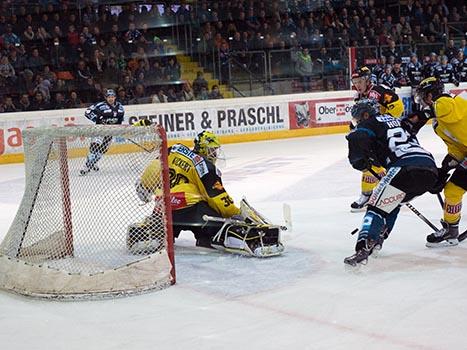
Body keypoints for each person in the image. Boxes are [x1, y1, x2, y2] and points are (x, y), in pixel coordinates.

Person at [132, 130, 283, 257]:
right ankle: (250, 240)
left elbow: (154, 167)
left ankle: (149, 231)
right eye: (212, 150)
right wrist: (235, 213)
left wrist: (145, 186)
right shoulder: (205, 166)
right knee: (219, 227)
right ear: (203, 149)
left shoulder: (175, 149)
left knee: (160, 227)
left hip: (164, 208)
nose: (215, 154)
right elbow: (218, 198)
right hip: (193, 211)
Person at [344, 99, 438, 266]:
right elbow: (413, 125)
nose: (357, 121)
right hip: (429, 166)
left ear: (365, 114)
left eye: (358, 118)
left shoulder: (369, 122)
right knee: (393, 202)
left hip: (404, 166)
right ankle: (379, 238)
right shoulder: (397, 121)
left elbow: (358, 140)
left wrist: (358, 157)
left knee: (375, 207)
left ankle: (363, 248)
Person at [407, 77, 467, 247]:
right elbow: (457, 149)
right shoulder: (439, 124)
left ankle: (450, 228)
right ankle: (451, 229)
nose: (422, 101)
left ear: (431, 95)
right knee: (452, 190)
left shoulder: (447, 103)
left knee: (454, 190)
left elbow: (443, 106)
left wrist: (422, 116)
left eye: (423, 96)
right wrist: (444, 170)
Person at [349, 66, 405, 212]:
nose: (357, 84)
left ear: (367, 79)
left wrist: (384, 124)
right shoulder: (360, 96)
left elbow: (398, 107)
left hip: (388, 134)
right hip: (376, 135)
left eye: (360, 81)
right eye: (355, 81)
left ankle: (395, 192)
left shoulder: (379, 91)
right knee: (370, 164)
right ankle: (368, 194)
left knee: (387, 164)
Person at [80, 89, 125, 175]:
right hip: (99, 130)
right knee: (94, 147)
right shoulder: (100, 105)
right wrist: (97, 120)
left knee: (103, 150)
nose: (111, 99)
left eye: (112, 97)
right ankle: (86, 166)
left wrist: (116, 128)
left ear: (115, 97)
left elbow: (119, 121)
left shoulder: (120, 107)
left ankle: (93, 163)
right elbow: (87, 112)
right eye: (109, 97)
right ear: (105, 98)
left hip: (110, 132)